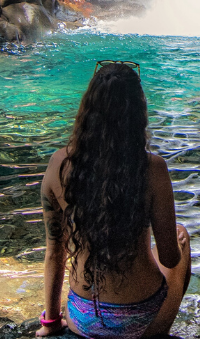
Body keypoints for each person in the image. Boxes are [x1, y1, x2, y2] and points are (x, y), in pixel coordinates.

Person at [37, 61, 191, 339]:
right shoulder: (152, 169)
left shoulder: (58, 165)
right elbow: (169, 258)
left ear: (88, 111)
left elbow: (54, 253)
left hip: (82, 318)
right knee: (182, 239)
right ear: (137, 112)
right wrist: (177, 245)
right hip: (142, 321)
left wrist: (51, 323)